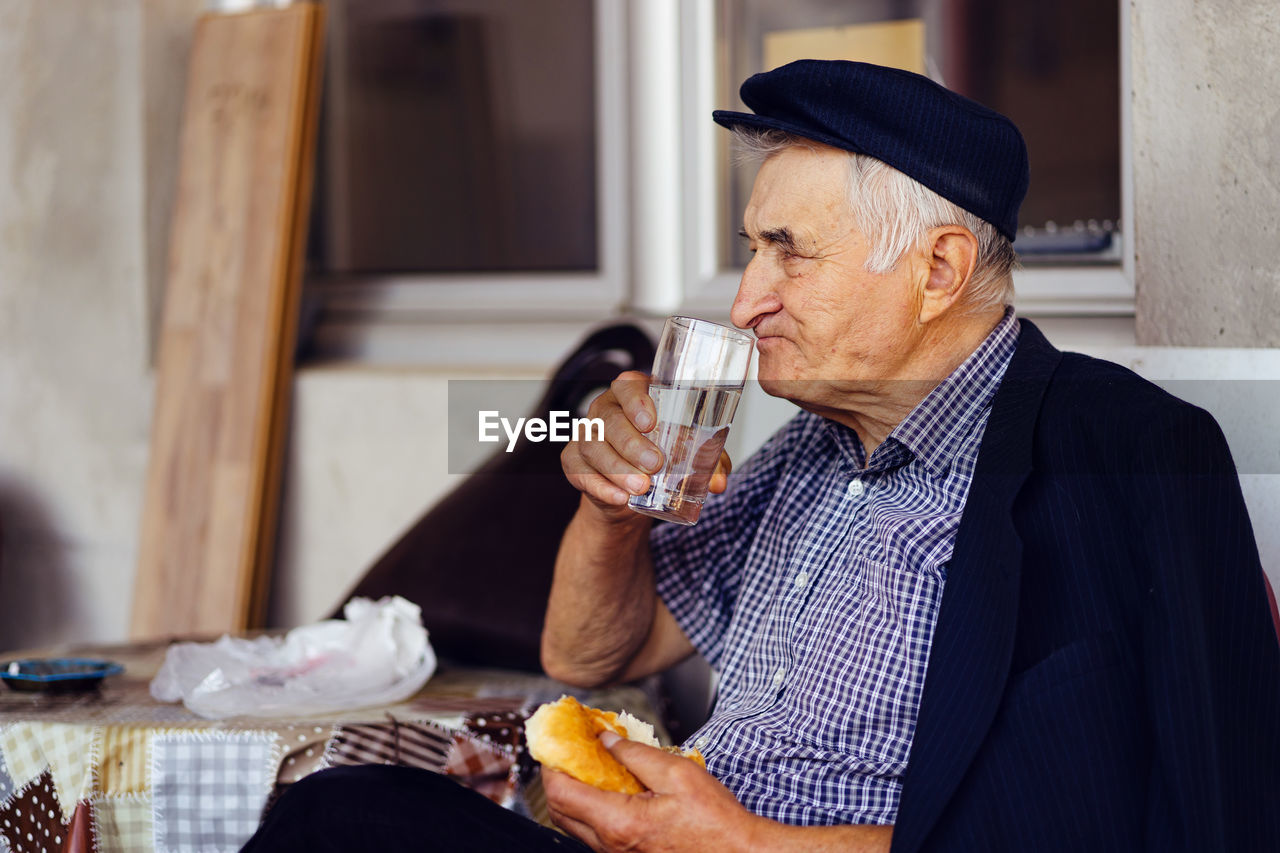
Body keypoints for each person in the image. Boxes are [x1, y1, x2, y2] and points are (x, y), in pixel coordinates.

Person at [241, 60, 1280, 853]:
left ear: (938, 268)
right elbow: (591, 656)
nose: (745, 301)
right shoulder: (808, 450)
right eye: (751, 247)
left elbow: (1183, 825)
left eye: (790, 250)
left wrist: (745, 845)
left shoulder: (1128, 457)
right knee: (342, 814)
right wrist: (611, 510)